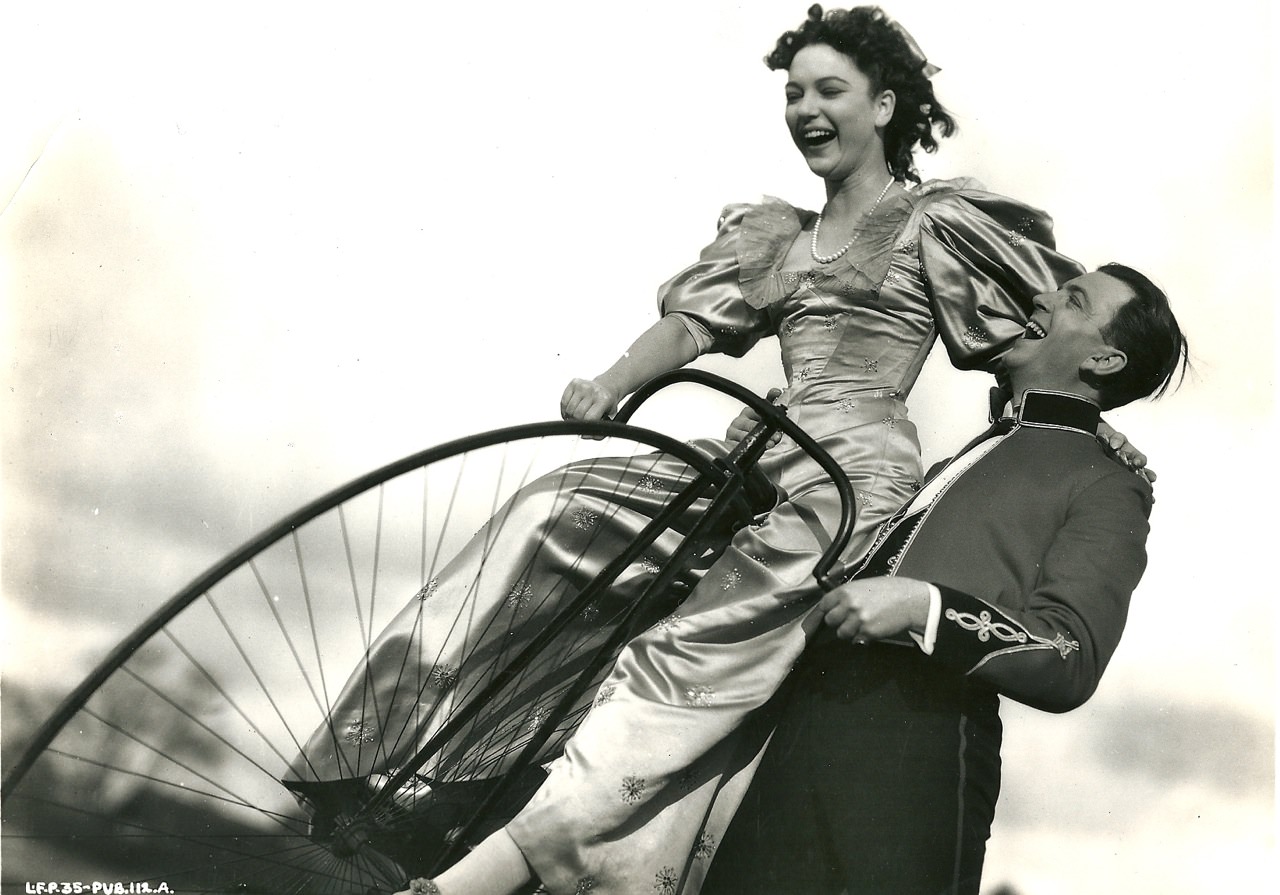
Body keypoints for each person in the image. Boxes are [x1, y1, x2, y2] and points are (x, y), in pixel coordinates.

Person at [290, 6, 1139, 894]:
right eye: (793, 92)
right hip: (752, 449)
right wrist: (613, 382)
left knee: (689, 650)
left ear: (885, 106)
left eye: (830, 90)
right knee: (554, 513)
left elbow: (1046, 331)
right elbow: (698, 321)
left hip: (847, 476)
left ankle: (498, 870)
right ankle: (385, 752)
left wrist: (1084, 425)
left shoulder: (934, 223)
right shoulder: (776, 235)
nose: (806, 108)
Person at [699, 264, 1189, 895]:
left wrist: (921, 608)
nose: (1039, 295)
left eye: (1072, 301)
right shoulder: (971, 452)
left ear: (1106, 357)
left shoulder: (1108, 484)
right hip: (798, 729)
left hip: (918, 748)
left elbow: (1070, 656)